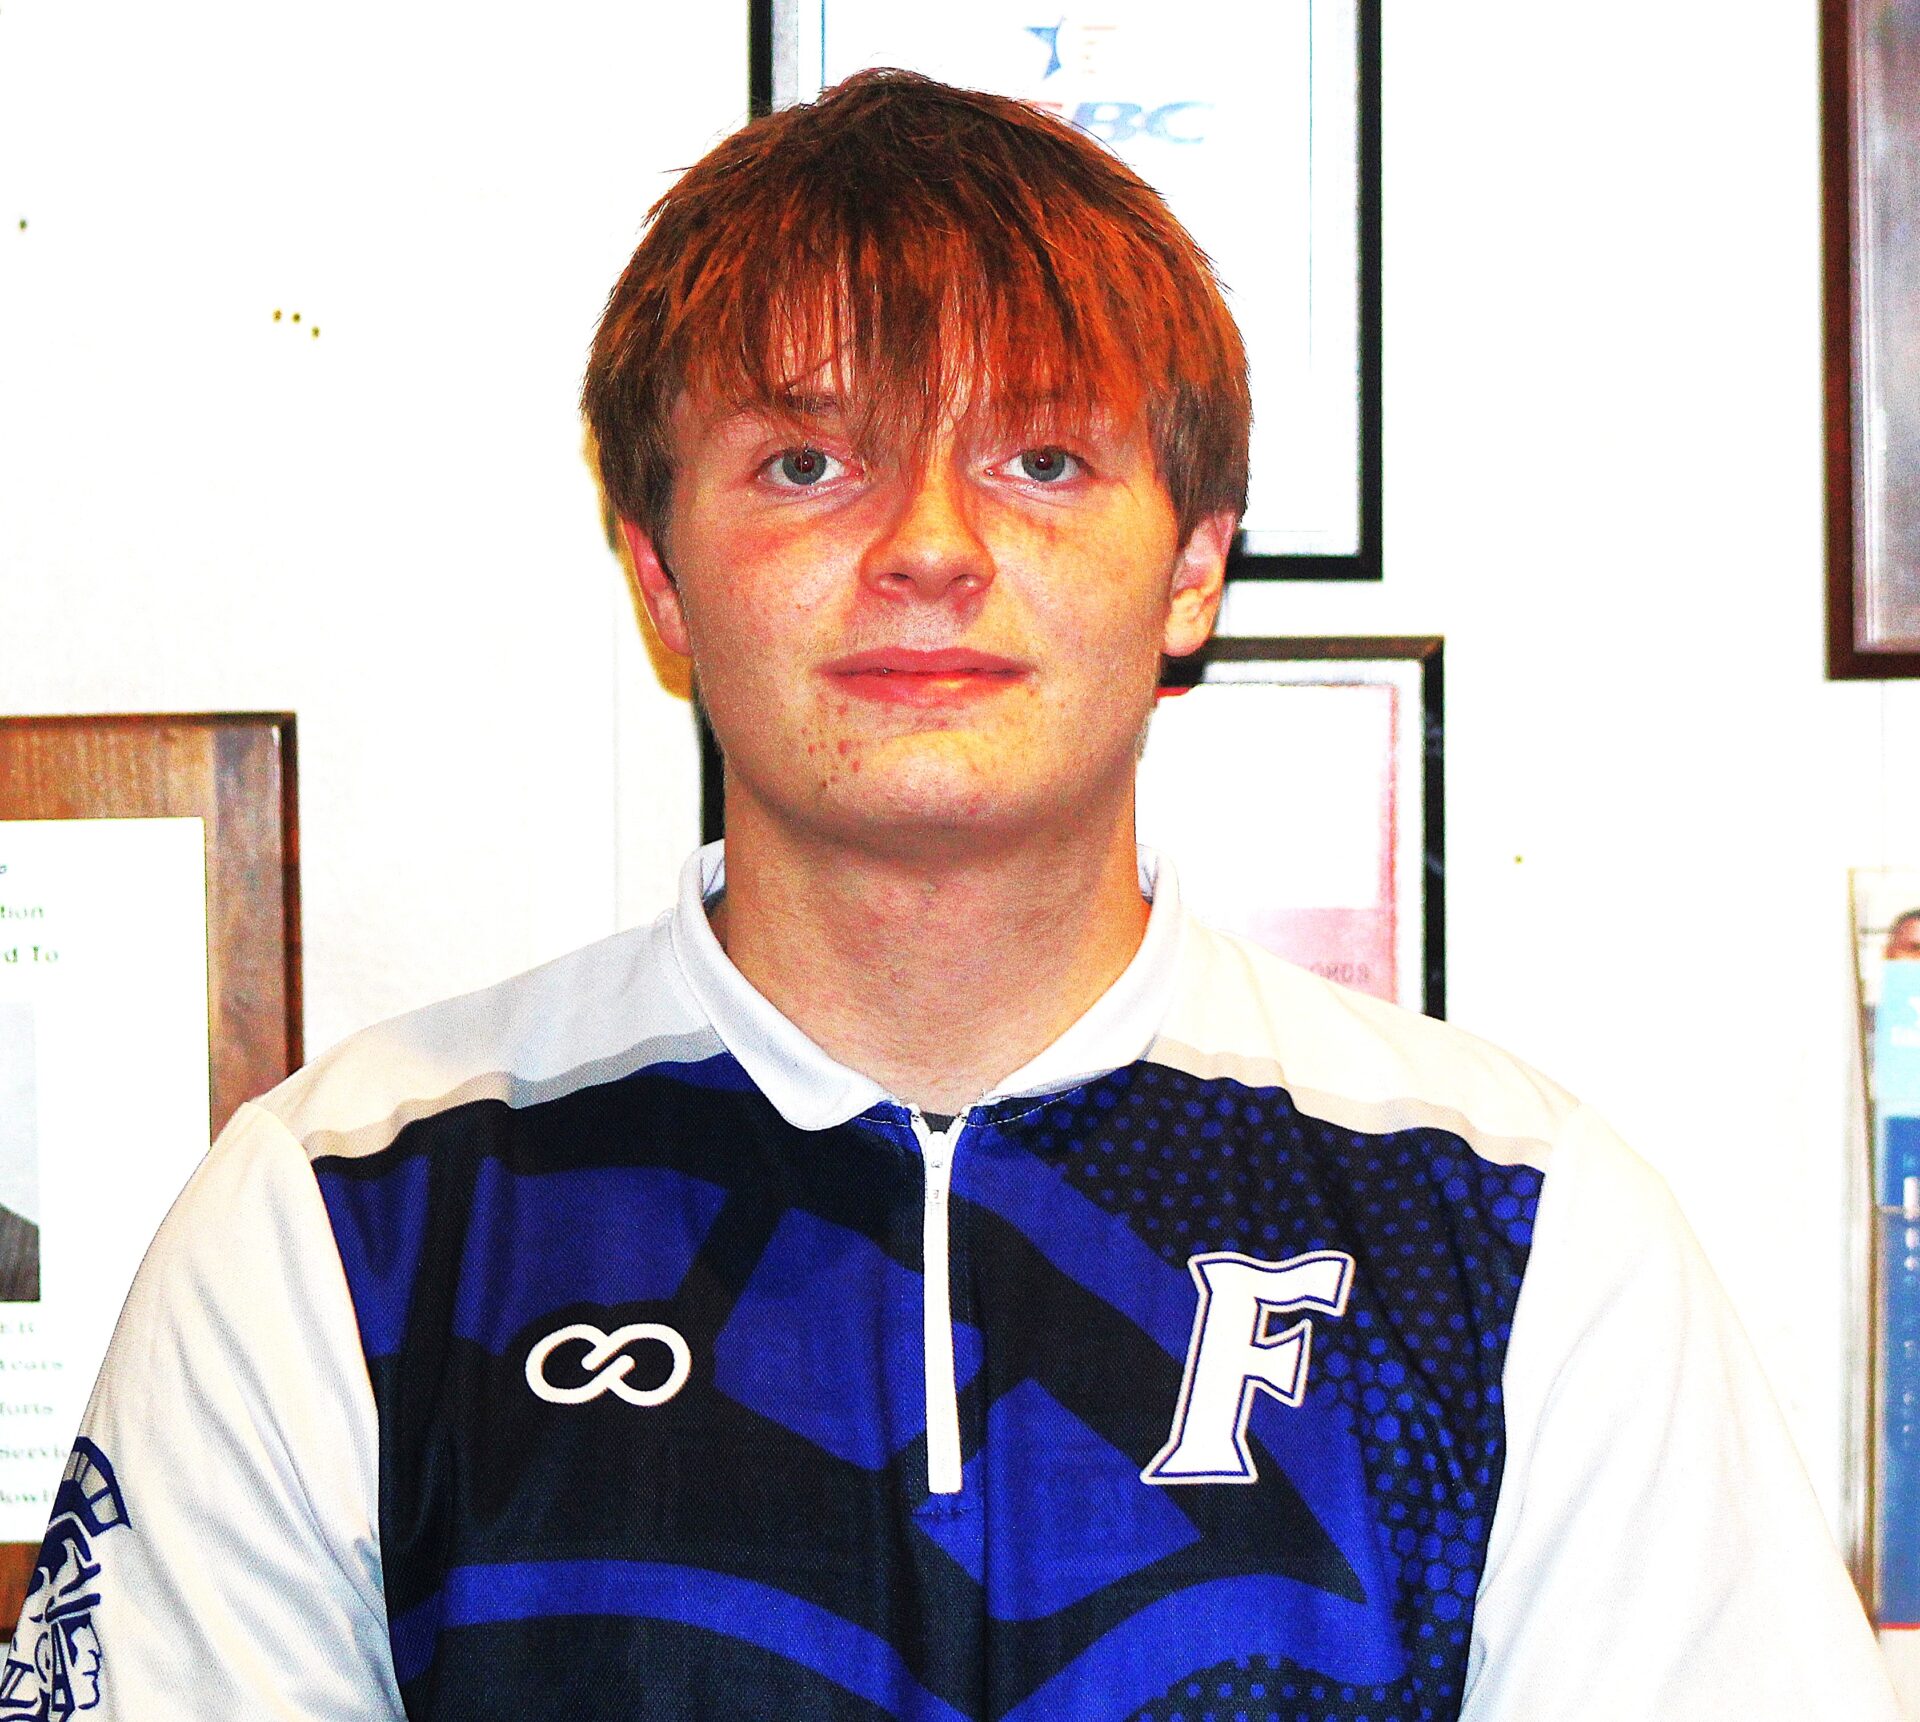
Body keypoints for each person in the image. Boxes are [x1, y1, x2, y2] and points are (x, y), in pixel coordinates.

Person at [0, 70, 1897, 1722]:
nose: (926, 545)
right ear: (660, 575)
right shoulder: (340, 1225)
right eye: (808, 461)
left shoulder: (1513, 1232)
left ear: (1193, 566)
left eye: (1042, 457)